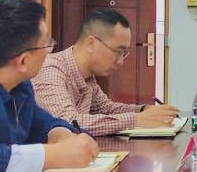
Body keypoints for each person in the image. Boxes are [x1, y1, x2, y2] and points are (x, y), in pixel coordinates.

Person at [0, 0, 99, 172]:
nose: (50, 51)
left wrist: (59, 132)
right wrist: (48, 156)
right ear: (23, 61)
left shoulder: (19, 86)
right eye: (47, 44)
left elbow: (42, 122)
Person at [33, 8, 178, 136]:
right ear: (91, 43)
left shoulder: (87, 76)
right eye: (118, 51)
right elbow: (69, 123)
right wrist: (137, 119)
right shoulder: (51, 70)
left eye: (124, 54)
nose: (120, 62)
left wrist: (143, 110)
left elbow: (106, 109)